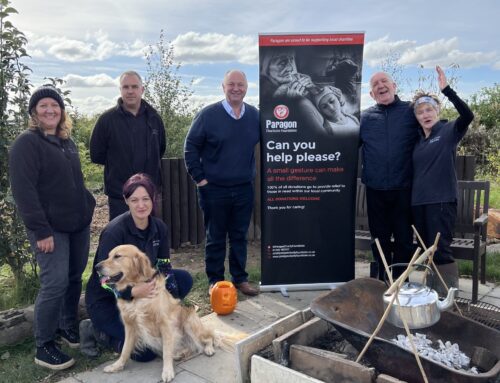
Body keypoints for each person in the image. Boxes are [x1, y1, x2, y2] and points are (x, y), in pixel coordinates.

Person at [9, 85, 96, 370]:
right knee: (55, 282)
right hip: (50, 229)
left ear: (61, 111)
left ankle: (67, 325)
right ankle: (44, 345)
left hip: (77, 224)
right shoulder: (27, 143)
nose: (50, 110)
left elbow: (74, 179)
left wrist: (87, 203)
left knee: (73, 278)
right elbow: (24, 191)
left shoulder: (65, 140)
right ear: (34, 112)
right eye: (43, 106)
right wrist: (41, 230)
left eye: (54, 106)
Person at [84, 173, 193, 361]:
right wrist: (133, 292)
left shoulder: (159, 228)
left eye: (145, 199)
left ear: (153, 199)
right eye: (134, 200)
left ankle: (151, 320)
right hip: (108, 300)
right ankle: (96, 331)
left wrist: (171, 306)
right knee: (146, 353)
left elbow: (164, 268)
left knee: (184, 279)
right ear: (126, 200)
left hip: (143, 293)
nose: (141, 205)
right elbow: (103, 280)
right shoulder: (114, 232)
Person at [184, 70, 260, 296]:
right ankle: (215, 281)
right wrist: (200, 179)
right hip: (213, 190)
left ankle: (240, 280)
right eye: (231, 84)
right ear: (223, 87)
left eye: (240, 85)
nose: (236, 88)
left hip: (244, 188)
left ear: (246, 87)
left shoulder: (255, 116)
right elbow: (190, 147)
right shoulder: (208, 115)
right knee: (215, 237)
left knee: (239, 237)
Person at [411, 66, 474, 295]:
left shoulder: (448, 131)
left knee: (440, 251)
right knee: (425, 250)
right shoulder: (417, 142)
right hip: (418, 203)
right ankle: (431, 298)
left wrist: (447, 90)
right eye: (420, 112)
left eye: (429, 110)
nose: (425, 114)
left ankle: (448, 301)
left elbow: (467, 115)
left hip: (441, 201)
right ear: (416, 117)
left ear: (437, 111)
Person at [360, 72, 419, 280]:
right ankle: (381, 283)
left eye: (384, 81)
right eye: (375, 84)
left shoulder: (412, 112)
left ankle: (401, 283)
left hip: (404, 188)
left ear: (394, 86)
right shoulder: (364, 118)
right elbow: (348, 148)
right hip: (375, 189)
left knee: (404, 240)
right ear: (371, 93)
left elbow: (432, 129)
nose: (380, 86)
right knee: (379, 239)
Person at [90, 70, 166, 220]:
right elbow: (96, 154)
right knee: (121, 240)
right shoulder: (107, 120)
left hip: (148, 195)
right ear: (120, 90)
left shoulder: (154, 119)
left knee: (148, 239)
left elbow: (160, 149)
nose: (130, 91)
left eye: (134, 87)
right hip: (120, 195)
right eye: (126, 87)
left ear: (142, 89)